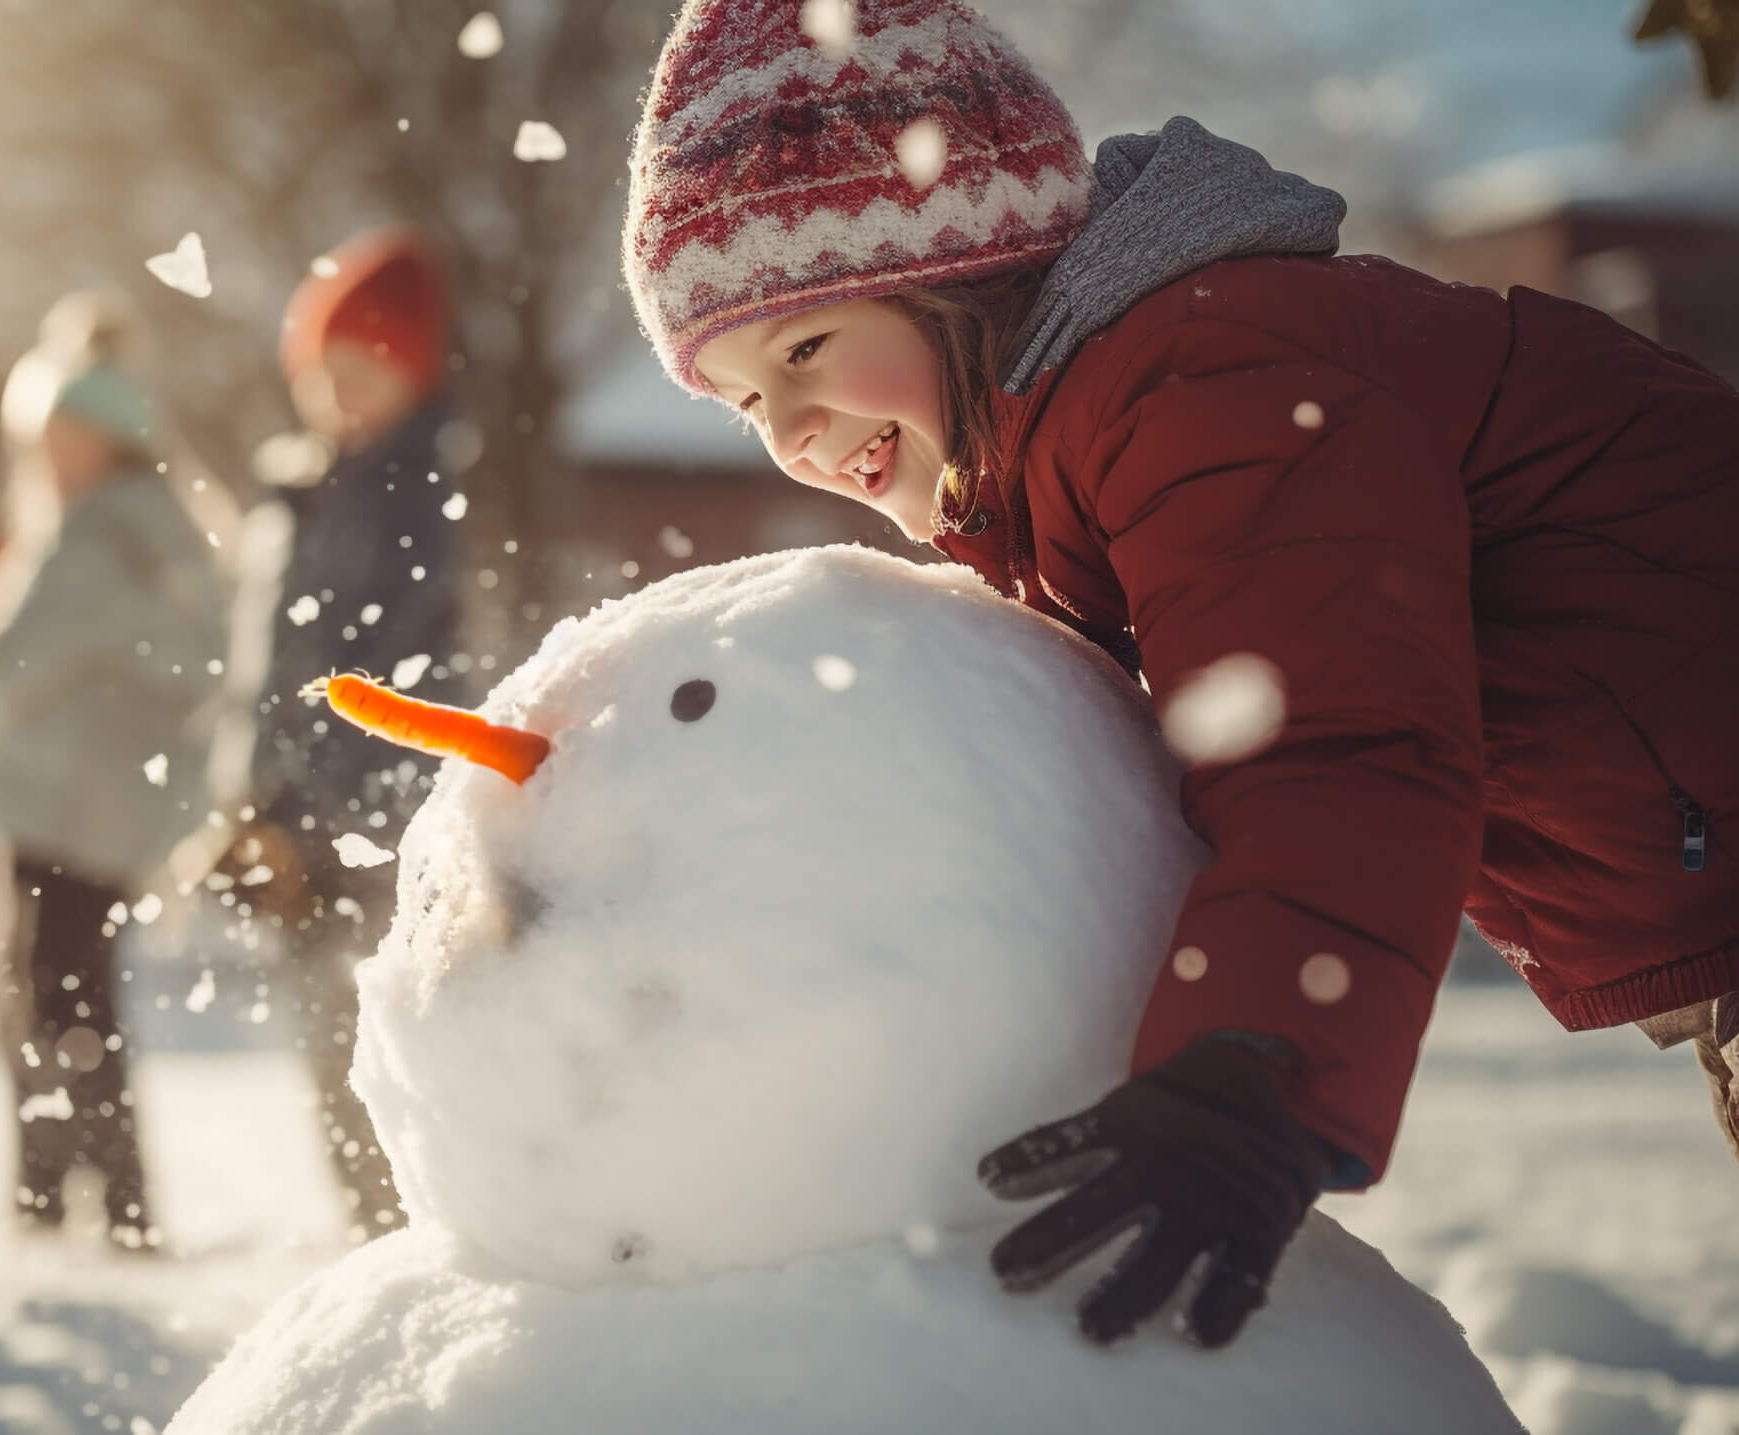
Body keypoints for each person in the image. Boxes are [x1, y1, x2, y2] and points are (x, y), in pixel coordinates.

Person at [623, 0, 1739, 1349]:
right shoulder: (1090, 447)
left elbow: (1333, 734)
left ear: (973, 272)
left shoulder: (1196, 378)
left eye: (804, 346)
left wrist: (1249, 1067)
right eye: (743, 399)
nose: (792, 433)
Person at [0, 291, 234, 1250]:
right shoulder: (162, 527)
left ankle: (79, 1201)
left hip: (57, 807)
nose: (41, 452)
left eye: (55, 432)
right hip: (110, 811)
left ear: (95, 436)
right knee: (76, 1002)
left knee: (49, 1003)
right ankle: (100, 1199)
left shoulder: (93, 534)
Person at [233, 226, 469, 1237]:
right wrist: (252, 795)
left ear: (411, 370)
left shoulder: (412, 493)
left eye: (362, 368)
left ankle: (407, 1232)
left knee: (380, 1043)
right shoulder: (315, 487)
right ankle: (370, 1229)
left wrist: (307, 804)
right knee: (326, 1046)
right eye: (319, 371)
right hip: (306, 813)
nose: (337, 394)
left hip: (376, 817)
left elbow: (362, 668)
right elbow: (271, 667)